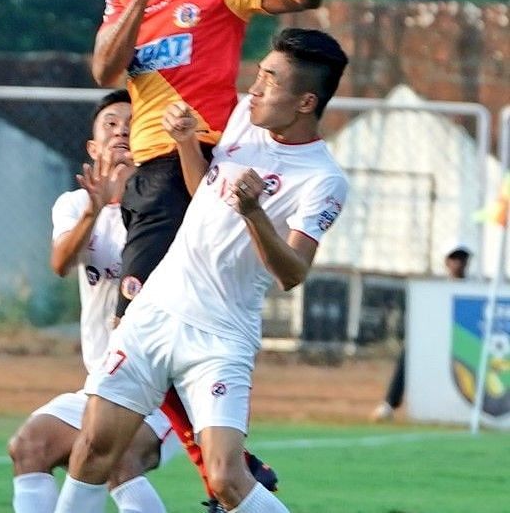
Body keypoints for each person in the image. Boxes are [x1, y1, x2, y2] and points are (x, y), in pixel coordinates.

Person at [94, 0, 328, 504]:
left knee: (134, 327)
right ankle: (225, 465)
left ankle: (226, 468)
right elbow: (105, 72)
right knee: (139, 340)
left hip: (189, 164)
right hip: (148, 177)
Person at [54, 27, 350, 513]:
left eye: (270, 80)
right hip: (155, 311)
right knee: (92, 450)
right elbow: (204, 196)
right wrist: (189, 144)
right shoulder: (242, 119)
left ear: (304, 102)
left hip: (220, 334)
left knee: (227, 478)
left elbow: (293, 271)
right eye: (258, 75)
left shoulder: (324, 179)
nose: (253, 88)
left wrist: (255, 213)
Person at [8, 90, 181, 513]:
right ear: (93, 147)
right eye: (111, 124)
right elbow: (60, 263)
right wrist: (96, 207)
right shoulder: (74, 205)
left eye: (132, 123)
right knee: (28, 446)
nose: (122, 129)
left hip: (166, 389)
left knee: (117, 460)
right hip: (103, 382)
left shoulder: (170, 209)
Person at [371, 242, 472, 422]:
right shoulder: (436, 290)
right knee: (410, 351)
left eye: (463, 258)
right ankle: (389, 404)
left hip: (465, 342)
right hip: (438, 340)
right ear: (447, 262)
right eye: (455, 258)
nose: (459, 263)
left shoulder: (474, 290)